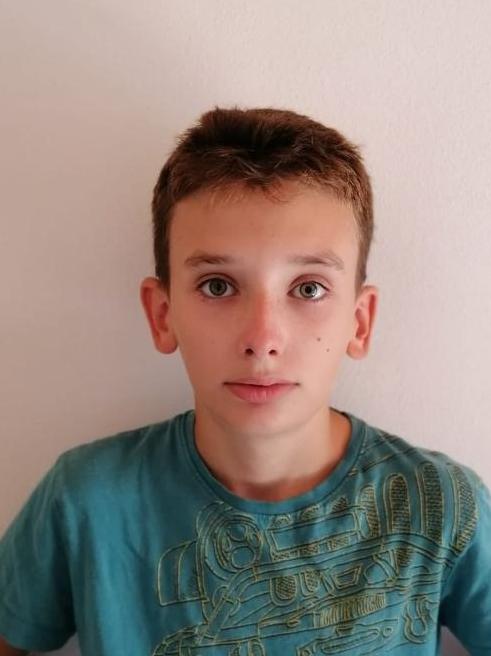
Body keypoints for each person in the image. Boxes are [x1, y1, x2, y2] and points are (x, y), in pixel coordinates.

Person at [0, 106, 490, 656]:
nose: (262, 338)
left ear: (359, 321)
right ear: (162, 315)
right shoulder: (85, 501)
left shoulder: (441, 505)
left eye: (308, 288)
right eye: (217, 286)